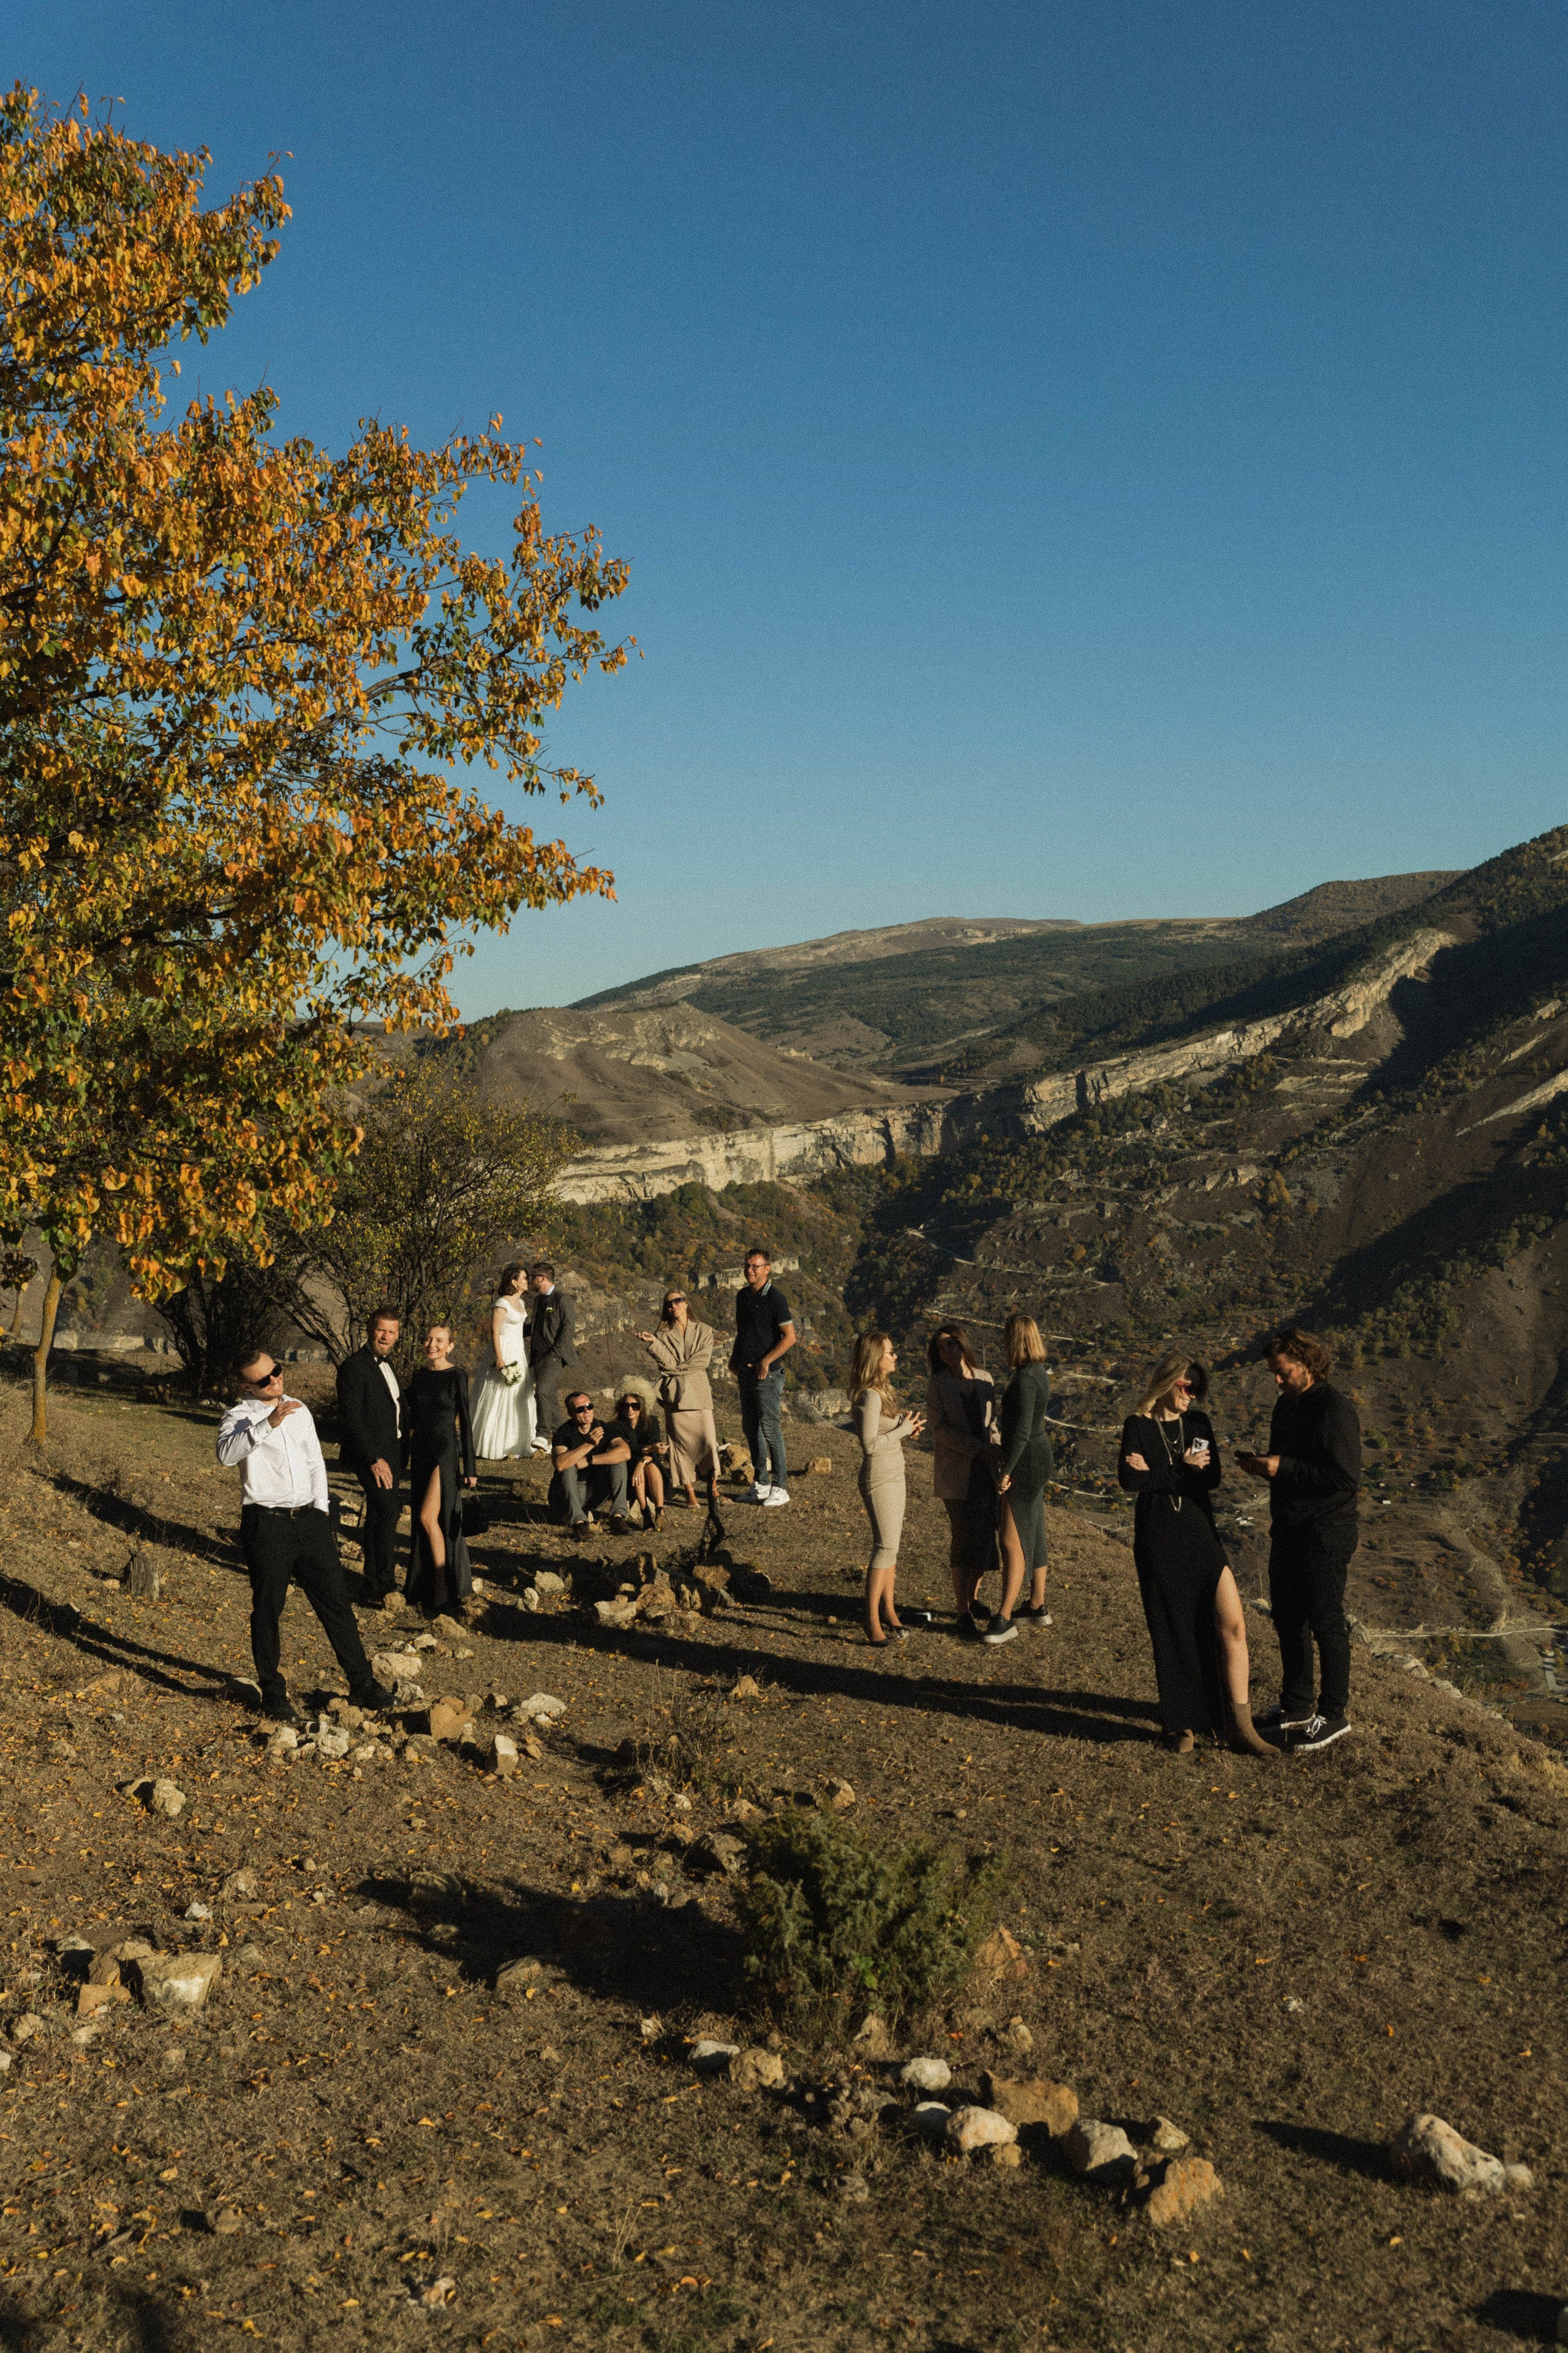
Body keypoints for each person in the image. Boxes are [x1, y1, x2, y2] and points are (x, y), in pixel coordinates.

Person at [217, 1346, 393, 1726]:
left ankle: (362, 1684)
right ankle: (273, 1693)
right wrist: (268, 1424)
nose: (275, 1380)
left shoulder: (299, 1407)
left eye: (276, 1371)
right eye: (264, 1379)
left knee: (337, 1605)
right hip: (267, 1523)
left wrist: (322, 1511)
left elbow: (315, 1461)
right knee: (268, 1609)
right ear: (247, 1386)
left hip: (310, 1521)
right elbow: (227, 1455)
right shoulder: (238, 1416)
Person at [1118, 1351, 1277, 1757]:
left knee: (1234, 1625)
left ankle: (1239, 1725)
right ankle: (1181, 1725)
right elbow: (1128, 1479)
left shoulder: (1198, 1424)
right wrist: (1181, 1468)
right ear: (1168, 1381)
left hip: (1201, 1534)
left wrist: (1162, 1472)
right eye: (1188, 1387)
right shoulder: (1137, 1425)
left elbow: (1211, 1477)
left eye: (1197, 1388)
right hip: (1159, 1538)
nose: (1192, 1395)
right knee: (1173, 1631)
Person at [1238, 1327, 1362, 1753]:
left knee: (1327, 1620)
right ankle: (1295, 1705)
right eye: (1274, 1372)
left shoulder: (1334, 1408)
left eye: (1282, 1371)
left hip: (1326, 1531)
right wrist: (1265, 1467)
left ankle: (1334, 1713)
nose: (1276, 1379)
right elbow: (1289, 1464)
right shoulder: (1285, 1406)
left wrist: (1283, 1468)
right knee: (1288, 1616)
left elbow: (1345, 1478)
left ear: (1307, 1365)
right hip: (1290, 1528)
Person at [924, 1322, 1000, 1639]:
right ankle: (962, 1611)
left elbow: (995, 1422)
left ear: (963, 1344)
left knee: (985, 1536)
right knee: (963, 1536)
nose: (948, 1351)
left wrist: (998, 1454)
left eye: (952, 1344)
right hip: (956, 1471)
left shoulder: (985, 1379)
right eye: (941, 1348)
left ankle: (974, 1596)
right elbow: (938, 1428)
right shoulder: (938, 1384)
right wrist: (975, 1450)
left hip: (988, 1470)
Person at [850, 1331, 924, 1647]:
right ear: (874, 1359)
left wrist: (904, 1429)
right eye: (890, 1353)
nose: (895, 1357)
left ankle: (890, 1612)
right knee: (884, 1547)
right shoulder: (870, 1396)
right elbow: (869, 1445)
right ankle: (871, 1620)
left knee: (892, 1547)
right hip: (880, 1476)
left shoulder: (882, 1392)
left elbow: (883, 1433)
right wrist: (904, 1429)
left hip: (895, 1472)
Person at [404, 1323, 478, 1620]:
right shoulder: (419, 1376)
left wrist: (470, 1466)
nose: (431, 1344)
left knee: (428, 1517)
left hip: (445, 1452)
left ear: (450, 1346)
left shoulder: (457, 1375)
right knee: (424, 1522)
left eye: (439, 1340)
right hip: (420, 1451)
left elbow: (467, 1423)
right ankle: (428, 1586)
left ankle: (441, 1588)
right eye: (428, 1338)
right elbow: (407, 1415)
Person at [989, 1313, 1055, 1646]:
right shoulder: (1038, 1372)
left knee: (1012, 1541)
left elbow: (1022, 1433)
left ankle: (1003, 1617)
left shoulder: (1027, 1378)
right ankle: (1036, 1604)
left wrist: (1006, 1471)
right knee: (1037, 1529)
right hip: (1038, 1458)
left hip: (1026, 1461)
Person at [336, 1305, 404, 1603]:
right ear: (369, 1330)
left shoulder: (389, 1365)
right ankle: (380, 1585)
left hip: (394, 1451)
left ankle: (376, 1582)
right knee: (386, 1513)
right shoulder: (353, 1367)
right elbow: (352, 1419)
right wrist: (374, 1459)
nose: (386, 1337)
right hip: (373, 1455)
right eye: (381, 1330)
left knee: (382, 1514)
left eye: (391, 1332)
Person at [635, 1290, 721, 1512]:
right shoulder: (662, 1334)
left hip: (700, 1393)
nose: (674, 1305)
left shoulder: (704, 1330)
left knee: (709, 1443)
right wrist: (654, 1343)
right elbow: (664, 1363)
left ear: (686, 1303)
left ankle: (714, 1489)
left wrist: (675, 1368)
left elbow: (702, 1361)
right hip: (675, 1396)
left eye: (678, 1301)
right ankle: (690, 1493)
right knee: (679, 1446)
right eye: (669, 1303)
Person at [729, 1247, 795, 1506]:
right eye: (747, 1265)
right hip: (746, 1372)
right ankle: (761, 1483)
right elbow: (743, 1333)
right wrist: (735, 1361)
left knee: (770, 1428)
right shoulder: (742, 1297)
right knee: (750, 1427)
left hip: (768, 1375)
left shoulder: (776, 1299)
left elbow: (790, 1337)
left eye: (755, 1266)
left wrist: (766, 1361)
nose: (749, 1270)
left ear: (767, 1269)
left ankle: (780, 1486)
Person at [471, 1263, 536, 1460]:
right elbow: (495, 1331)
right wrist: (500, 1358)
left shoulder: (522, 1304)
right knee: (500, 1393)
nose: (527, 1281)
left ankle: (516, 1442)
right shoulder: (502, 1304)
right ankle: (493, 1444)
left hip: (518, 1350)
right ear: (514, 1282)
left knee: (519, 1393)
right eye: (524, 1278)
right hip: (504, 1350)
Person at [549, 1391, 631, 1533]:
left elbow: (625, 1452)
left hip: (595, 1490)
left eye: (589, 1406)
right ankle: (579, 1523)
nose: (586, 1411)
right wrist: (589, 1445)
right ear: (570, 1413)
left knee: (618, 1461)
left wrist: (590, 1460)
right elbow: (560, 1464)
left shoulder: (603, 1427)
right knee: (568, 1466)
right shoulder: (564, 1433)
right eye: (581, 1409)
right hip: (570, 1492)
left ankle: (617, 1518)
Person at [526, 1263, 576, 1451]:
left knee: (542, 1391)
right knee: (550, 1397)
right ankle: (563, 1435)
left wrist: (556, 1354)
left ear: (543, 1278)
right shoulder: (538, 1301)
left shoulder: (563, 1299)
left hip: (554, 1356)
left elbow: (568, 1328)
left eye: (533, 1277)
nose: (531, 1281)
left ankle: (543, 1434)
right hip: (538, 1356)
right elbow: (535, 1326)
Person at [611, 1389, 668, 1528]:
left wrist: (642, 1462)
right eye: (626, 1406)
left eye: (635, 1406)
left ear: (642, 1407)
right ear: (621, 1407)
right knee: (644, 1468)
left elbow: (654, 1445)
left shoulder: (651, 1422)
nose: (630, 1409)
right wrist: (649, 1449)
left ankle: (660, 1511)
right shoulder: (617, 1426)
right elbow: (628, 1450)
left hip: (648, 1463)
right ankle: (645, 1510)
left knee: (652, 1466)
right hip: (628, 1466)